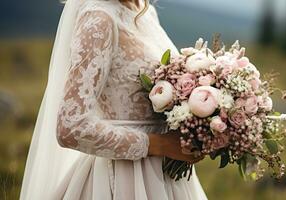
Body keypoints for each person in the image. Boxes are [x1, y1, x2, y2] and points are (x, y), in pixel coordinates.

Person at [20, 0, 207, 199]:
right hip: (121, 178)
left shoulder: (145, 12)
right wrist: (158, 144)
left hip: (167, 178)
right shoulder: (99, 19)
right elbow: (71, 126)